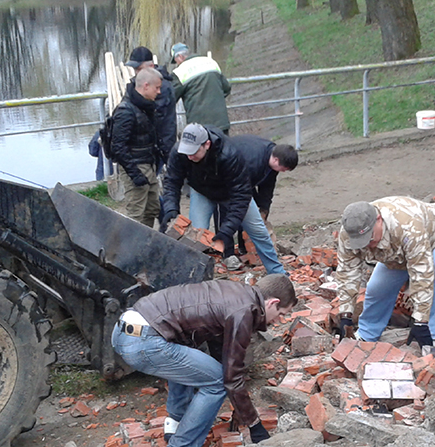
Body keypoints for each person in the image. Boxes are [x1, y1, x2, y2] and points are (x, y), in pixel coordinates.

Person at [111, 274, 297, 447]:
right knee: (217, 383)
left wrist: (238, 404)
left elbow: (220, 351)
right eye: (281, 314)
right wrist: (255, 425)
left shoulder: (235, 293)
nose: (279, 321)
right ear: (273, 303)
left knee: (196, 363)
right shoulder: (243, 312)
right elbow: (231, 378)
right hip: (144, 341)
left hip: (124, 330)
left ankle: (176, 422)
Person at [334, 197, 435, 350]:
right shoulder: (350, 232)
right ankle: (367, 334)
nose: (367, 244)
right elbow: (347, 273)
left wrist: (420, 321)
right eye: (361, 241)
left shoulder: (407, 226)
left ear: (378, 219)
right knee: (377, 287)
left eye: (369, 237)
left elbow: (422, 274)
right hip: (399, 252)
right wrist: (346, 315)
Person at [161, 123, 286, 275]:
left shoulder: (229, 154)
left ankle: (278, 272)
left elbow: (241, 196)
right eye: (187, 152)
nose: (190, 157)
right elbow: (172, 181)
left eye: (194, 152)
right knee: (195, 237)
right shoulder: (180, 152)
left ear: (207, 144)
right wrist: (171, 208)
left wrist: (227, 231)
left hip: (230, 193)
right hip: (202, 191)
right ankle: (192, 277)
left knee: (258, 231)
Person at [221, 140, 299, 258]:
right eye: (284, 168)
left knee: (247, 213)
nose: (284, 171)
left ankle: (244, 248)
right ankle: (227, 254)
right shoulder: (252, 161)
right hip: (225, 181)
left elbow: (267, 187)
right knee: (229, 215)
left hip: (245, 181)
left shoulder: (273, 160)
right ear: (276, 160)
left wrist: (264, 209)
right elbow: (241, 190)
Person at [111, 68, 162, 227]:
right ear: (146, 86)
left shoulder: (145, 107)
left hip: (148, 164)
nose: (159, 92)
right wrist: (135, 174)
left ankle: (146, 239)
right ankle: (133, 242)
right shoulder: (126, 111)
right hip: (135, 166)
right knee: (136, 214)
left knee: (152, 209)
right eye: (157, 88)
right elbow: (117, 147)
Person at [126, 46, 177, 164]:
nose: (137, 73)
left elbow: (157, 118)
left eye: (139, 69)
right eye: (135, 69)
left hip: (159, 145)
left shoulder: (161, 87)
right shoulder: (139, 83)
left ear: (151, 66)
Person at [169, 42, 231, 133]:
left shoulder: (180, 72)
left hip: (199, 126)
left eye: (176, 61)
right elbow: (227, 88)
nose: (177, 64)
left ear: (180, 57)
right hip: (221, 122)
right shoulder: (211, 62)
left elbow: (171, 98)